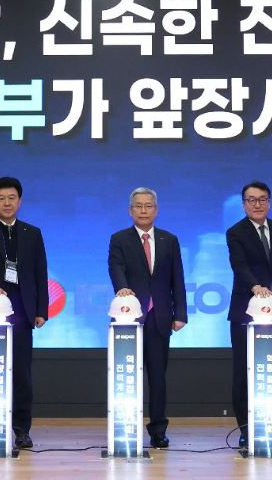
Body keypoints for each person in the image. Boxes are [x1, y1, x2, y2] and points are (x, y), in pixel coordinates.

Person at [0, 176, 49, 449]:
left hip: (23, 308)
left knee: (22, 372)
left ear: (20, 201)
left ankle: (21, 429)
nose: (6, 203)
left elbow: (40, 273)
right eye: (1, 198)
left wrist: (41, 309)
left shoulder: (32, 233)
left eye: (11, 198)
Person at [108, 187, 188, 449]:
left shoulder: (169, 240)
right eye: (138, 206)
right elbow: (115, 267)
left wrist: (180, 313)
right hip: (129, 317)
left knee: (157, 377)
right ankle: (125, 426)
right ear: (130, 210)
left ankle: (158, 430)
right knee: (127, 374)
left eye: (148, 205)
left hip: (160, 317)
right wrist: (122, 288)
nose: (143, 210)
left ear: (156, 209)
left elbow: (177, 278)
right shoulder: (119, 239)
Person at [225, 180, 272, 449]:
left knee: (269, 369)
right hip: (245, 311)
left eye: (262, 199)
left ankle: (268, 424)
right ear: (244, 204)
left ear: (269, 202)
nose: (257, 204)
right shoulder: (235, 232)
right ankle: (245, 429)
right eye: (251, 200)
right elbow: (239, 266)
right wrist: (256, 287)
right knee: (244, 371)